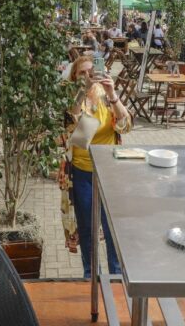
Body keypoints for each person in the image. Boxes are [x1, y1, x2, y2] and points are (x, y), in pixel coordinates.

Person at [63, 56, 132, 278]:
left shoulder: (106, 96)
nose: (87, 76)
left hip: (109, 170)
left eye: (91, 72)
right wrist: (83, 91)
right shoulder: (72, 96)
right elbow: (70, 121)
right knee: (87, 227)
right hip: (82, 171)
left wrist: (112, 94)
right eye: (81, 73)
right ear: (74, 77)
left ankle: (116, 275)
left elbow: (125, 125)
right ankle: (91, 274)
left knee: (111, 226)